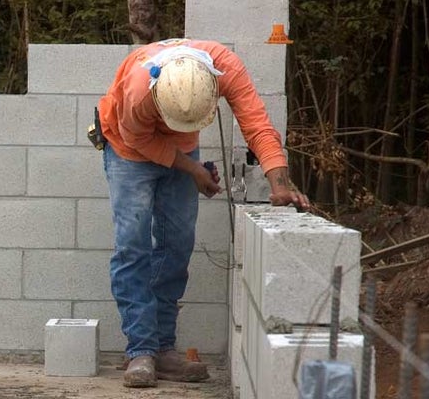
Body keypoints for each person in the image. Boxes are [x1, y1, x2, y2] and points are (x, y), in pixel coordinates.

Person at [96, 38, 309, 388]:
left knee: (177, 245)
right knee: (132, 244)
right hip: (128, 149)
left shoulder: (225, 67)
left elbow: (256, 124)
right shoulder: (138, 87)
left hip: (180, 148)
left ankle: (163, 349)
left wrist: (279, 182)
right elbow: (138, 140)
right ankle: (141, 351)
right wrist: (193, 170)